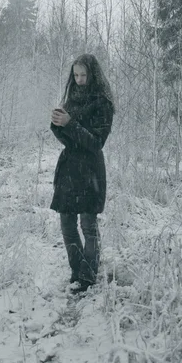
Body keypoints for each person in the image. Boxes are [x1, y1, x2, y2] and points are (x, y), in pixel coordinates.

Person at [50, 53, 115, 294]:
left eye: (83, 75)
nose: (79, 79)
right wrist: (57, 126)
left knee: (88, 224)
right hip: (69, 170)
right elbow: (69, 141)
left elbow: (96, 142)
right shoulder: (71, 101)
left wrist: (70, 124)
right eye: (75, 75)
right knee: (67, 224)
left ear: (93, 75)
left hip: (90, 172)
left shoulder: (102, 103)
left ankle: (89, 276)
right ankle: (77, 272)